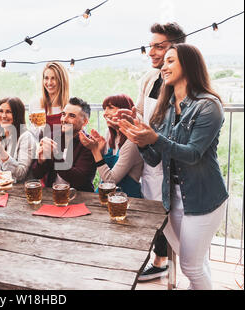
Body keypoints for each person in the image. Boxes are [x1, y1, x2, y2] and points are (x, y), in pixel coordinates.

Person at [118, 43, 228, 290]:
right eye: (163, 62)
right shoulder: (165, 108)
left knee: (191, 266)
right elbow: (155, 158)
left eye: (170, 61)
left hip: (203, 198)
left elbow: (193, 154)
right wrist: (140, 141)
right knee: (197, 263)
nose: (163, 67)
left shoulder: (209, 106)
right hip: (173, 197)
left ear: (189, 65)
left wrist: (154, 139)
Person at [114, 22, 186, 281]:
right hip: (151, 159)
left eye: (159, 46)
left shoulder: (181, 82)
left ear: (176, 49)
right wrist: (129, 117)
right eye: (150, 46)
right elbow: (144, 116)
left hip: (173, 163)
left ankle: (179, 270)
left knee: (180, 227)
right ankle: (161, 262)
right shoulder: (148, 79)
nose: (152, 52)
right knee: (156, 217)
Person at [79, 94, 143, 198]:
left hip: (127, 200)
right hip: (109, 197)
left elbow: (111, 180)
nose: (105, 113)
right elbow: (103, 171)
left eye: (111, 108)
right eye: (104, 109)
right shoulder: (110, 135)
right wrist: (99, 150)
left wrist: (95, 150)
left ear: (125, 111)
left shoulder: (131, 142)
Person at [31, 97, 96, 192]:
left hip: (80, 199)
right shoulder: (53, 136)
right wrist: (41, 162)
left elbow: (79, 180)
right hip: (53, 195)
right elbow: (37, 174)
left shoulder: (89, 144)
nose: (64, 119)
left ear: (85, 122)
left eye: (72, 116)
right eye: (63, 114)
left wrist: (56, 155)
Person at [29, 62, 70, 137]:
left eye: (54, 78)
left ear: (62, 81)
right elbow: (34, 137)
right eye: (46, 78)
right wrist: (36, 127)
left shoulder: (70, 106)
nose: (49, 83)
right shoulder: (36, 104)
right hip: (42, 147)